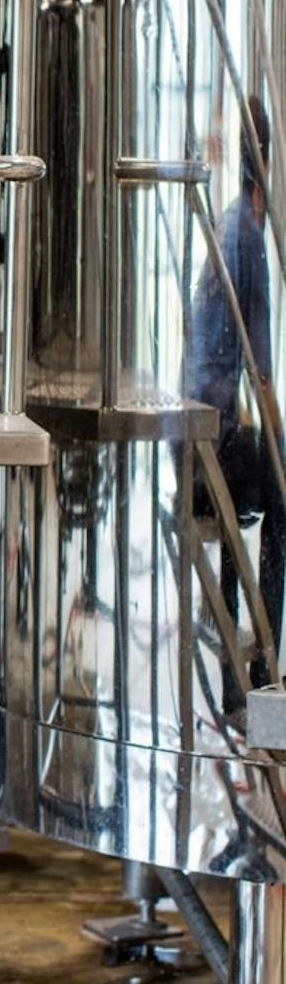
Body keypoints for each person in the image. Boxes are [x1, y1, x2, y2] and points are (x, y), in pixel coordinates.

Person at [188, 94, 284, 694]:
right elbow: (262, 374)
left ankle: (231, 665)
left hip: (200, 438)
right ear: (267, 166)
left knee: (243, 504)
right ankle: (265, 659)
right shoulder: (247, 235)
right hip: (214, 443)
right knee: (284, 506)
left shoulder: (227, 224)